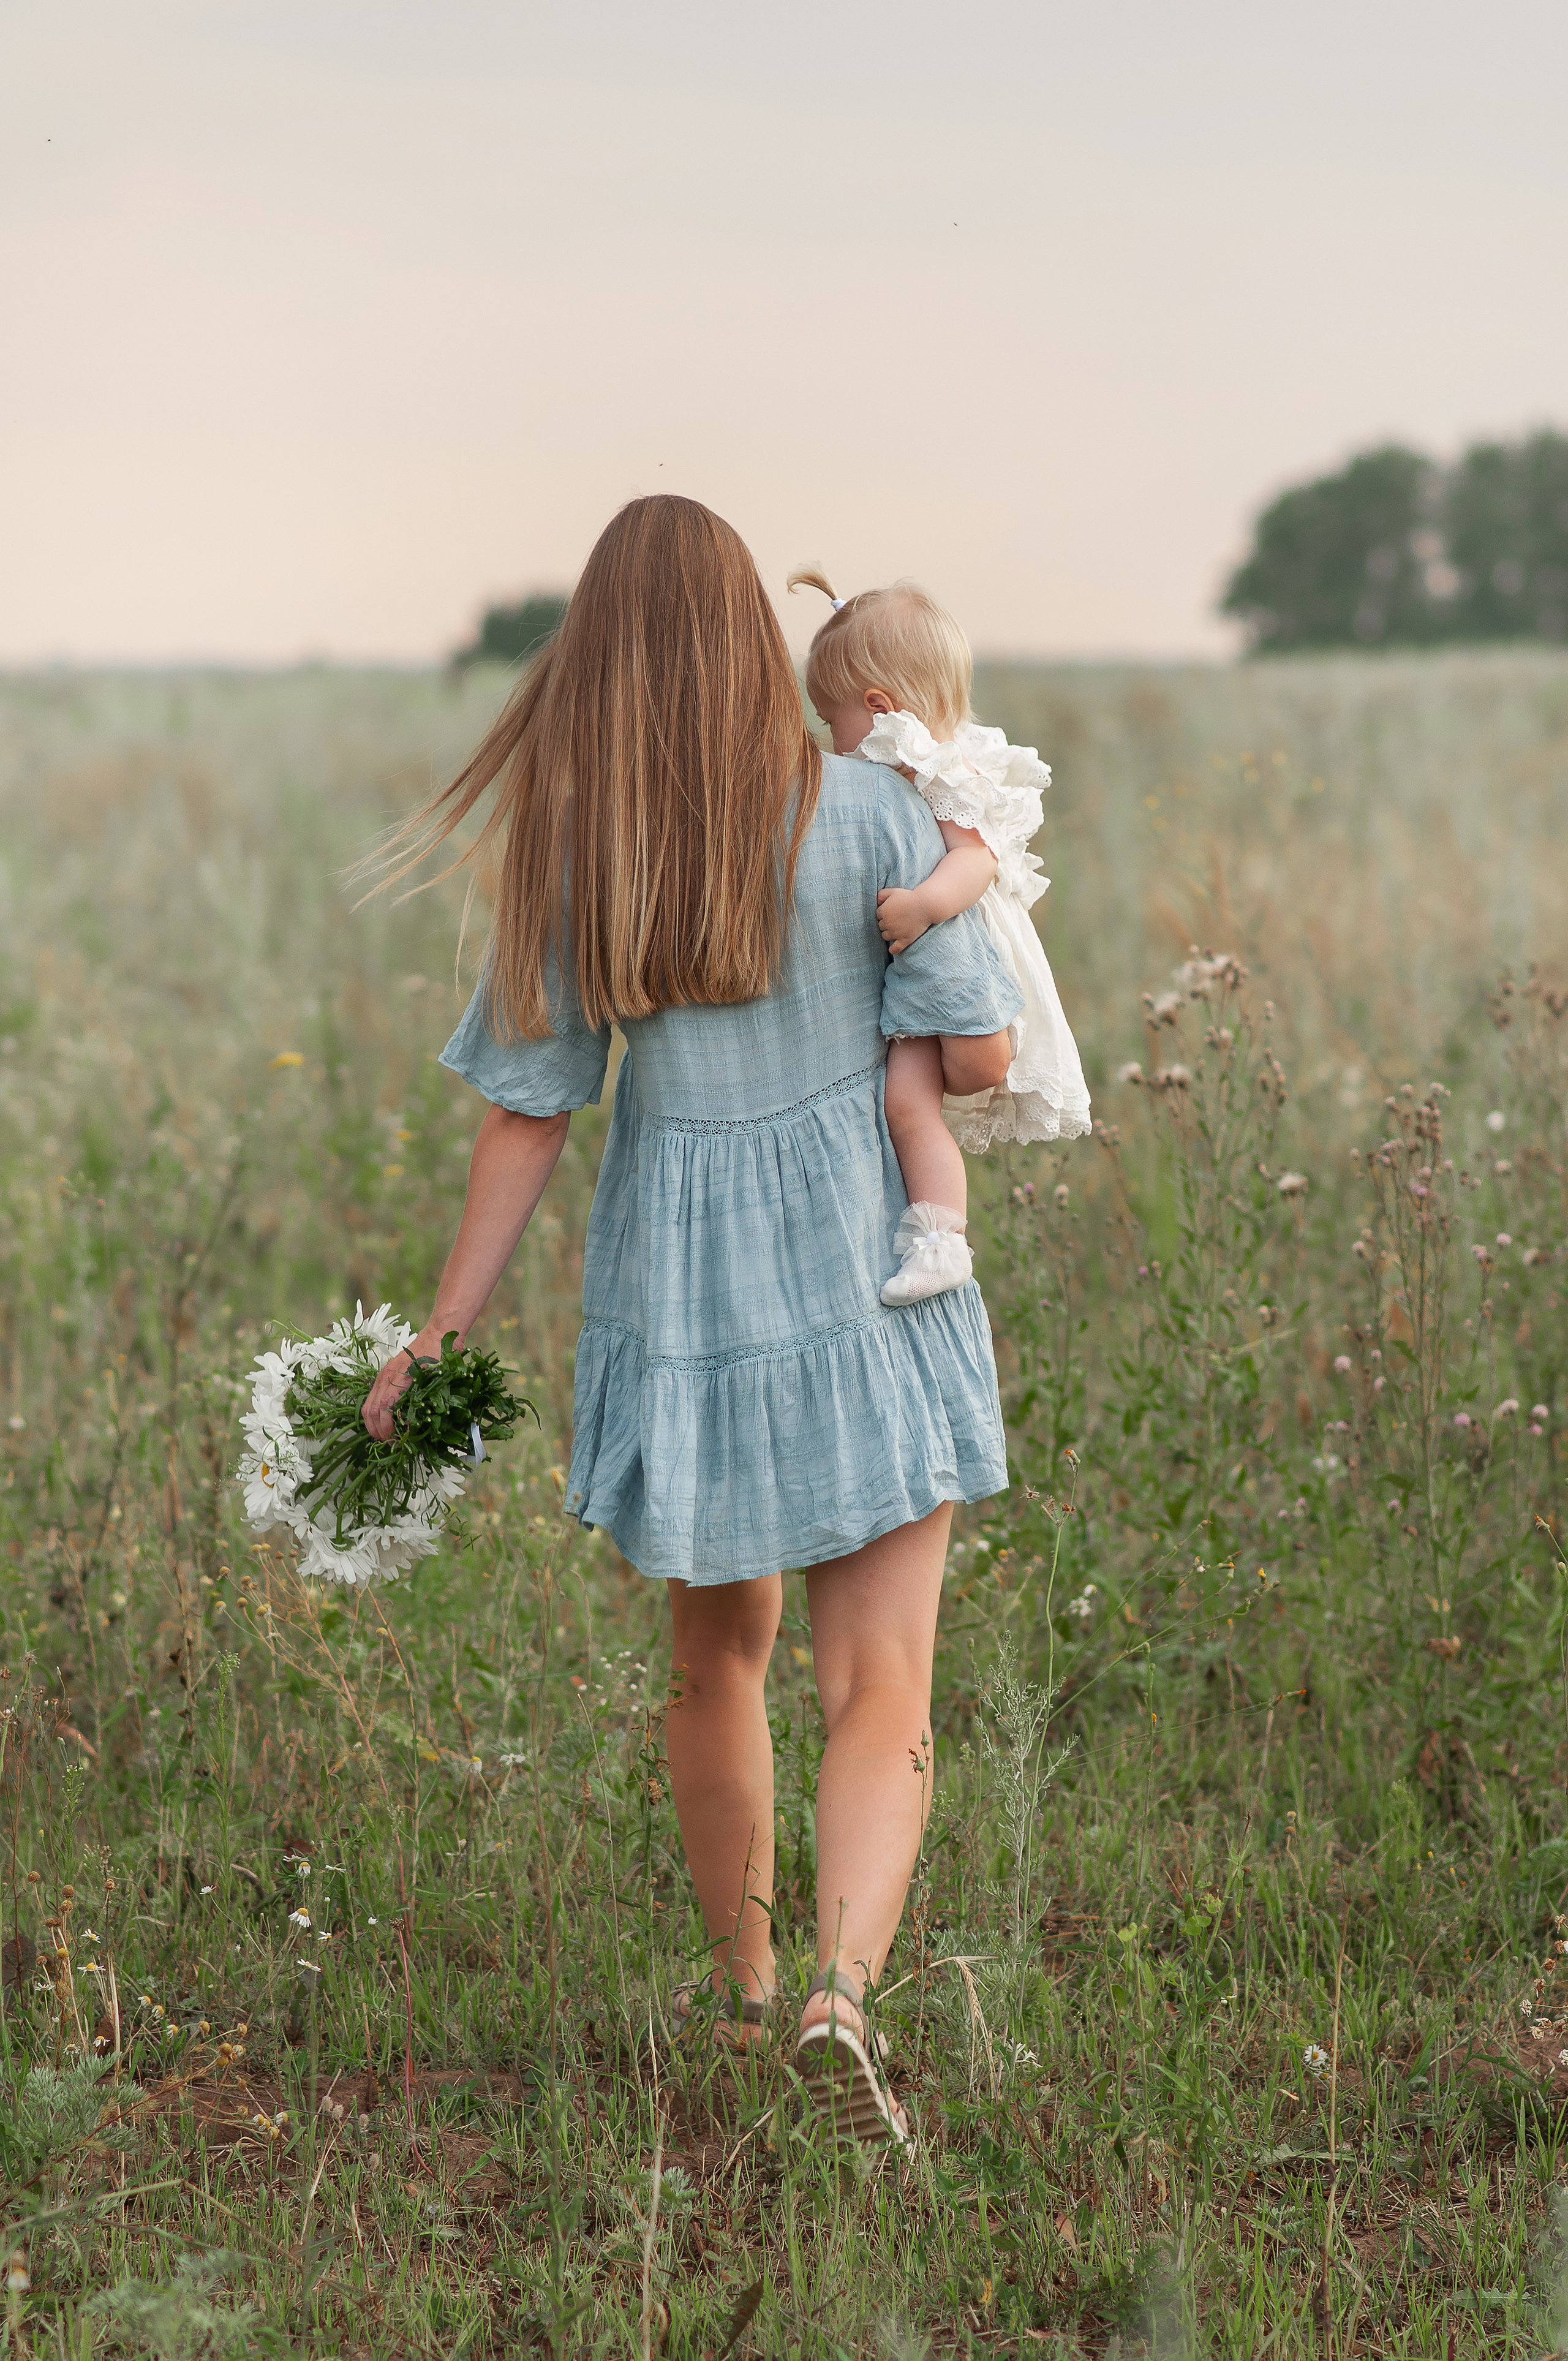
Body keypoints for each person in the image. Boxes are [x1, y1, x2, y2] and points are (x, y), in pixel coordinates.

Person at [362, 496, 1020, 2146]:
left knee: (714, 1658)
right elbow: (981, 1055)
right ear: (750, 640)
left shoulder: (588, 854)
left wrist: (440, 1331)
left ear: (600, 657)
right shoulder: (885, 813)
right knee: (885, 1677)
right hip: (869, 1261)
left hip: (682, 1279)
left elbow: (529, 1113)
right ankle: (840, 1996)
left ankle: (740, 1993)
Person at [789, 570, 1091, 1307]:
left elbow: (977, 858)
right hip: (932, 949)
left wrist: (923, 906)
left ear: (880, 708)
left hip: (952, 947)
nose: (831, 741)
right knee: (904, 1101)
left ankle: (940, 1238)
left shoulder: (935, 765)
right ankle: (933, 1234)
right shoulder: (915, 757)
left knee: (907, 1104)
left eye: (832, 722)